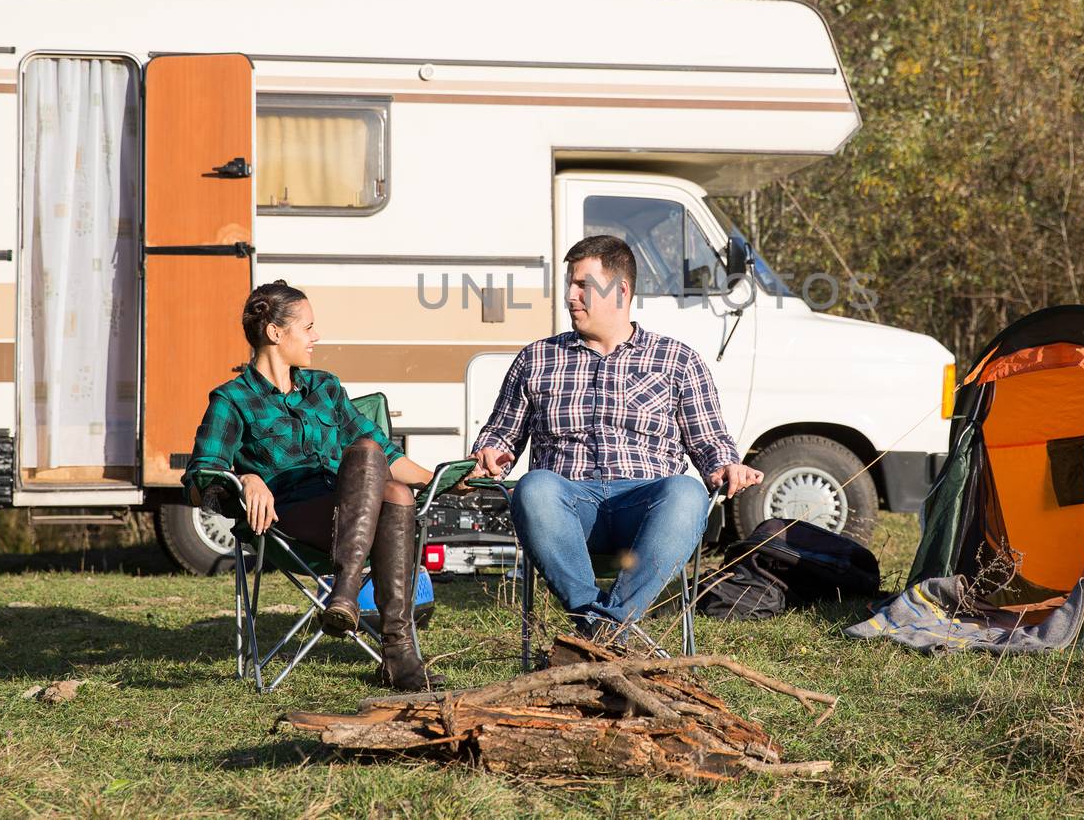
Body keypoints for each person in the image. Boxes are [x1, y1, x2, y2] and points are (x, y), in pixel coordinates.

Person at [469, 234, 764, 640]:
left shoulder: (677, 360)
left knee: (687, 492)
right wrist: (490, 454)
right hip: (567, 508)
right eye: (569, 285)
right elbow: (501, 434)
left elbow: (710, 441)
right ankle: (605, 628)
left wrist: (726, 467)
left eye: (582, 286)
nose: (570, 296)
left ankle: (600, 632)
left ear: (620, 290)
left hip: (645, 509)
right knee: (534, 486)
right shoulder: (537, 359)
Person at [183, 280, 440, 691]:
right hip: (290, 520)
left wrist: (443, 479)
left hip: (352, 508)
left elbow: (388, 456)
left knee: (385, 472)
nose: (316, 336)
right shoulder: (232, 400)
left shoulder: (325, 388)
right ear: (275, 333)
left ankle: (352, 602)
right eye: (308, 327)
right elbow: (199, 481)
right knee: (385, 480)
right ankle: (390, 643)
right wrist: (246, 479)